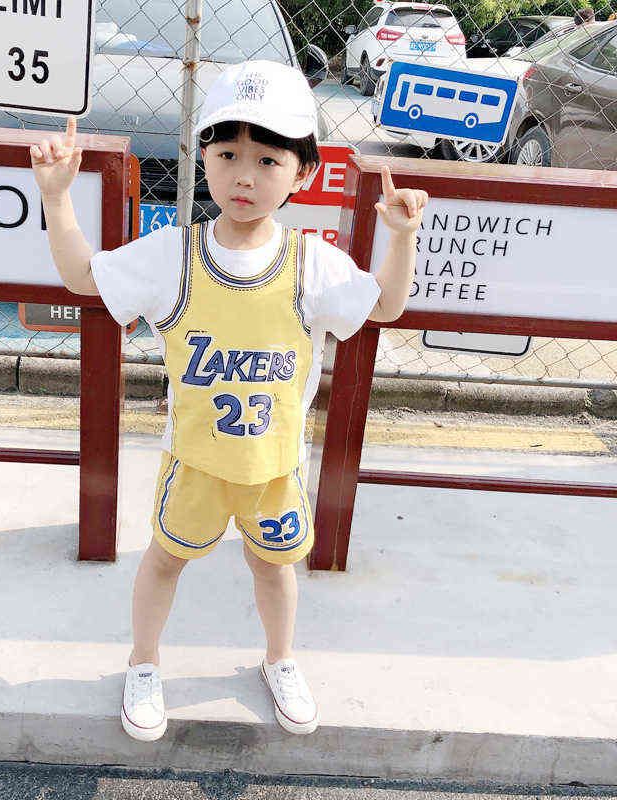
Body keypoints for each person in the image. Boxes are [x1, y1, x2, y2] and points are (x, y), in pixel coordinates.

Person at [30, 60, 428, 742]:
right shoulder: (173, 257)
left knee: (275, 568)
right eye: (227, 154)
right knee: (163, 560)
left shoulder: (312, 262)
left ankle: (280, 661)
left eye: (268, 158)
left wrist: (402, 237)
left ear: (303, 172)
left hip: (275, 467)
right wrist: (56, 196)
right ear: (203, 159)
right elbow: (79, 275)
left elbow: (386, 303)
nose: (245, 175)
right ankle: (144, 664)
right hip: (196, 462)